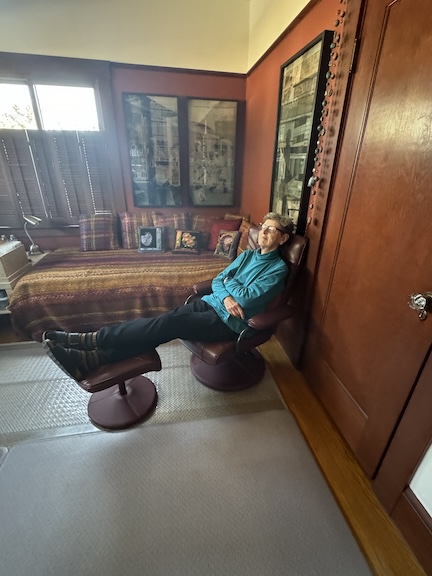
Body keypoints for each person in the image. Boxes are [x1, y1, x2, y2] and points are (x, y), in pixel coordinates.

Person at [42, 212, 294, 381]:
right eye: (263, 227)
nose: (263, 232)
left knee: (166, 324)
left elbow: (247, 299)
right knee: (162, 323)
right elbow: (219, 280)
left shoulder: (278, 270)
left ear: (283, 238)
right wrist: (228, 294)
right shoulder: (247, 255)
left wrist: (229, 286)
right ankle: (93, 357)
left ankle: (90, 340)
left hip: (229, 322)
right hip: (211, 304)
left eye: (271, 229)